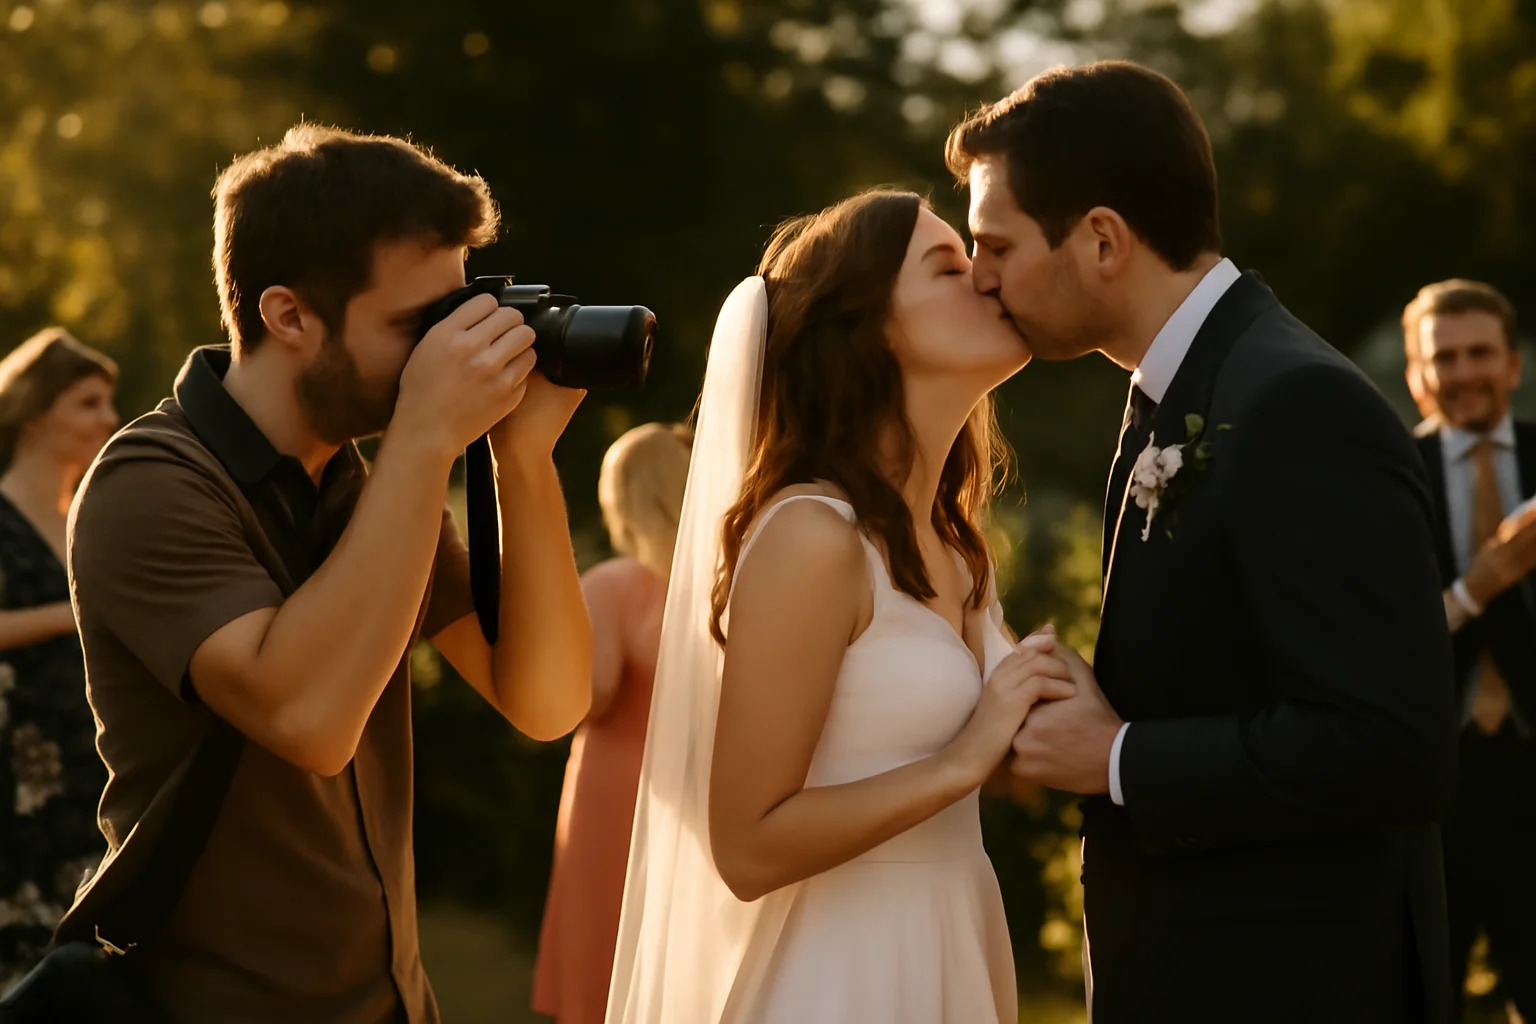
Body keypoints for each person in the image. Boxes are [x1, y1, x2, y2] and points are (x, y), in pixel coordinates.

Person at [948, 61, 1457, 1022]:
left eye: (995, 244)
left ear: (1102, 239)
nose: (980, 276)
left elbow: (1393, 746)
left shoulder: (1294, 405)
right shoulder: (1184, 390)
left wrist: (1118, 756)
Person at [55, 125, 592, 1021]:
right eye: (416, 325)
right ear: (290, 315)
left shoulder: (356, 487)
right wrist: (425, 440)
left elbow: (546, 701)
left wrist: (521, 461)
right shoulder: (147, 483)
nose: (448, 349)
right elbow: (307, 719)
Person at [607, 190, 1077, 1024]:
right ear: (865, 330)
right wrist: (961, 761)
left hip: (953, 944)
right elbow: (748, 844)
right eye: (946, 265)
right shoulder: (814, 536)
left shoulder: (952, 540)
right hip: (842, 977)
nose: (986, 278)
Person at [1404, 279, 1536, 1019]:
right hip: (1433, 786)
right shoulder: (1385, 475)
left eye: (1479, 353)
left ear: (1513, 364)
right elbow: (1376, 639)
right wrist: (1478, 585)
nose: (1462, 374)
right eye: (1442, 359)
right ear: (1417, 379)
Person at [533, 422, 692, 1024]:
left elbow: (589, 696)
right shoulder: (724, 584)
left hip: (614, 790)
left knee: (605, 939)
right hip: (696, 785)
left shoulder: (613, 584)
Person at [0, 328, 119, 989]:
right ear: (39, 411)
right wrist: (78, 612)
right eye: (89, 403)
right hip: (15, 783)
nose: (108, 418)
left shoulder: (91, 517)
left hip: (90, 778)